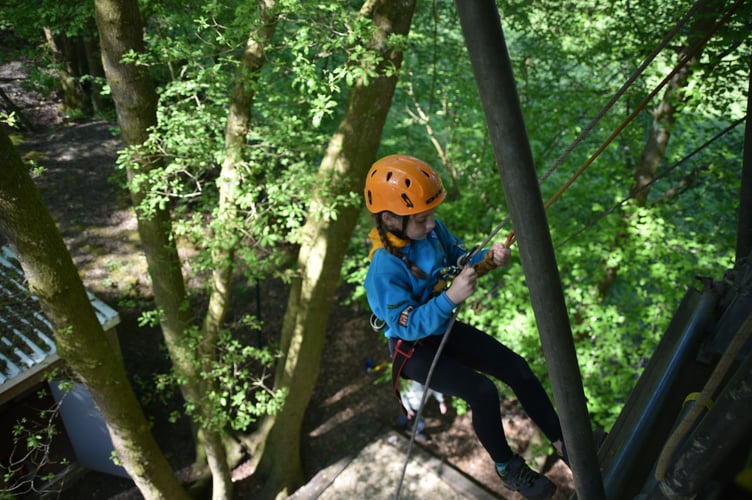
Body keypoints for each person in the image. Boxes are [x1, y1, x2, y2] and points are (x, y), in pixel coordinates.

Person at [363, 154, 568, 499]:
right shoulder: (383, 270)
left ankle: (564, 441)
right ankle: (509, 469)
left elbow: (459, 257)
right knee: (482, 392)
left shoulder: (432, 232)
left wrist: (489, 258)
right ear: (390, 219)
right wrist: (450, 299)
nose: (431, 224)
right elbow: (409, 325)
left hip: (441, 328)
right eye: (422, 219)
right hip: (414, 349)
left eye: (431, 216)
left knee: (516, 368)